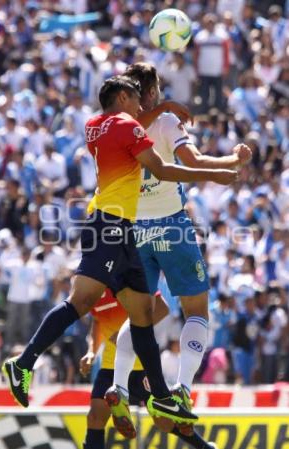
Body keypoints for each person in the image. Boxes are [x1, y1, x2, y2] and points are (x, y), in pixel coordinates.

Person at [2, 75, 237, 425]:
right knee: (81, 301)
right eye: (136, 99)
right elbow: (161, 168)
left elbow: (137, 129)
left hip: (123, 230)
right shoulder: (127, 126)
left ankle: (162, 398)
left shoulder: (94, 126)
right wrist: (212, 175)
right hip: (110, 227)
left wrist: (165, 108)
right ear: (124, 97)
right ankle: (22, 363)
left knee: (142, 313)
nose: (141, 106)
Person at [106, 64, 251, 435]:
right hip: (172, 225)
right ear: (151, 91)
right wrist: (234, 161)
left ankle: (119, 387)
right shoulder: (167, 122)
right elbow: (196, 163)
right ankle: (183, 389)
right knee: (197, 309)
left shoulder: (116, 129)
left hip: (134, 230)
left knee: (144, 312)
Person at [80, 288, 218, 449]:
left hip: (141, 366)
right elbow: (97, 321)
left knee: (165, 421)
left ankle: (203, 446)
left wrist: (128, 333)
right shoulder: (92, 289)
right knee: (95, 417)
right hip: (110, 366)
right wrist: (91, 352)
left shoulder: (125, 277)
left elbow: (162, 308)